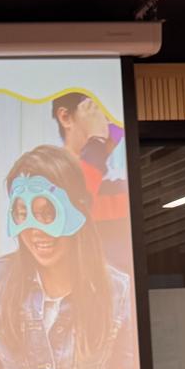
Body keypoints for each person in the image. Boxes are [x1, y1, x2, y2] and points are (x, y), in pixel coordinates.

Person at [0, 145, 137, 369]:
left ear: (77, 211)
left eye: (48, 214)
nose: (35, 230)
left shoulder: (118, 291)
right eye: (23, 214)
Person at [50, 91, 132, 273]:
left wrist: (109, 137)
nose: (105, 124)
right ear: (65, 117)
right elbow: (74, 203)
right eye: (95, 111)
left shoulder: (119, 186)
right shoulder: (47, 175)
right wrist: (96, 143)